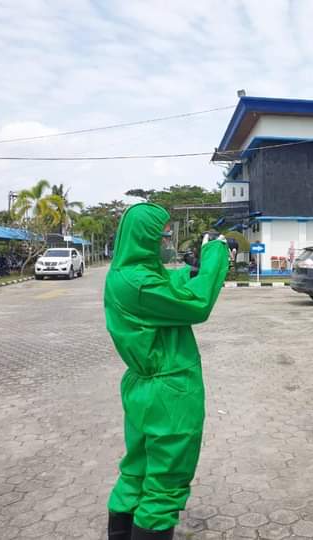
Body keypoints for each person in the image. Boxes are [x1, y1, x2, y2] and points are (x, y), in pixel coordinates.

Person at [104, 203, 229, 540]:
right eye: (162, 236)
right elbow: (197, 304)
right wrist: (216, 252)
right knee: (164, 484)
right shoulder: (140, 284)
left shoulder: (126, 273)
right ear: (145, 238)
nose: (166, 241)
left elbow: (166, 282)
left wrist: (189, 270)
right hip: (169, 392)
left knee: (136, 471)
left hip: (143, 389)